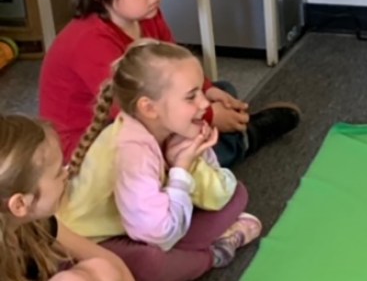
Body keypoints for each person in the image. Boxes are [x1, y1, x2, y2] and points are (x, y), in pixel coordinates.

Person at [39, 0, 301, 168]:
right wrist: (209, 116)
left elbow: (176, 69)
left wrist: (207, 90)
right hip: (90, 150)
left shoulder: (147, 15)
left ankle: (225, 139)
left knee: (222, 90)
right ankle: (241, 141)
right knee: (181, 138)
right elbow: (137, 114)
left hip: (144, 111)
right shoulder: (89, 42)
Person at [57, 39, 261, 281]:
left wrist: (191, 162)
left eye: (200, 91)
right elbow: (160, 236)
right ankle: (212, 255)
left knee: (236, 194)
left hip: (138, 227)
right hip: (87, 245)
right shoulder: (132, 152)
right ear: (149, 108)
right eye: (191, 97)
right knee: (151, 263)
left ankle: (198, 249)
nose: (205, 103)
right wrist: (181, 169)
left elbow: (220, 194)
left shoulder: (171, 126)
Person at [0, 114, 133, 281]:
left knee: (102, 267)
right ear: (19, 204)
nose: (66, 174)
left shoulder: (37, 222)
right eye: (57, 173)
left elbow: (108, 260)